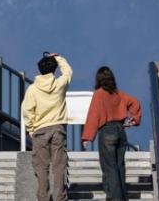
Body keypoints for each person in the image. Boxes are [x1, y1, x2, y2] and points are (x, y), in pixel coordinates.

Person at [81, 66, 141, 201]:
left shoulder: (99, 94)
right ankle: (123, 197)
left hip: (107, 131)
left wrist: (87, 137)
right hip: (120, 131)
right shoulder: (118, 94)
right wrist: (134, 120)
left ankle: (115, 198)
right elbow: (135, 103)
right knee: (120, 166)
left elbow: (93, 115)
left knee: (110, 167)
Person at [21, 52, 73, 201]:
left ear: (39, 70)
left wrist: (31, 129)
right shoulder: (59, 84)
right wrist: (58, 58)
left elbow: (27, 110)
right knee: (59, 166)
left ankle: (43, 197)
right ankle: (59, 197)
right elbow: (68, 71)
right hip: (58, 129)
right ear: (54, 69)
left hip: (40, 131)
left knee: (41, 168)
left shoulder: (32, 89)